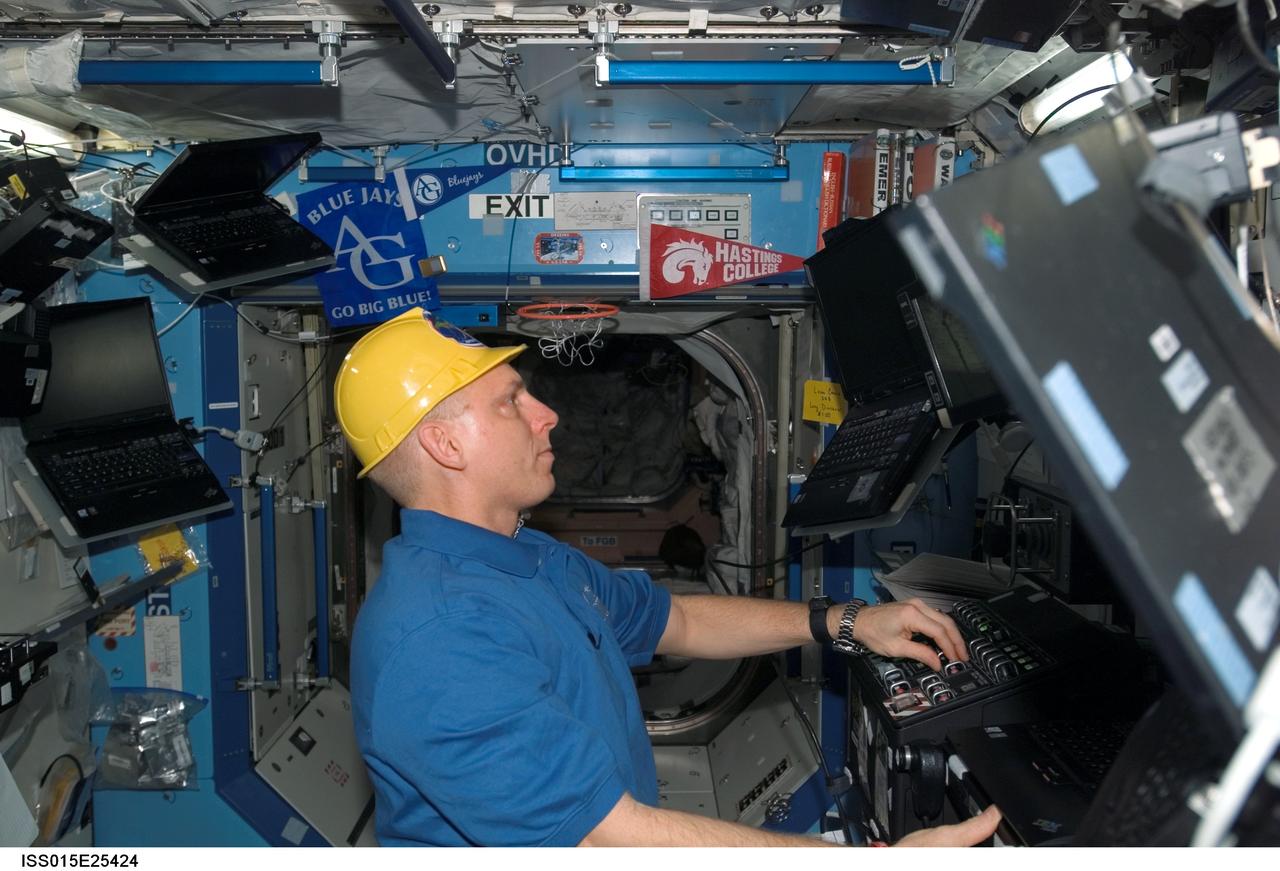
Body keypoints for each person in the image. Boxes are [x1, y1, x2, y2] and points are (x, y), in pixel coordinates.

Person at [336, 307, 1002, 847]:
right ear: (446, 445)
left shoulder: (528, 555)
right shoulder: (442, 636)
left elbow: (678, 619)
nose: (548, 413)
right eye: (512, 401)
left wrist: (844, 621)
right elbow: (606, 837)